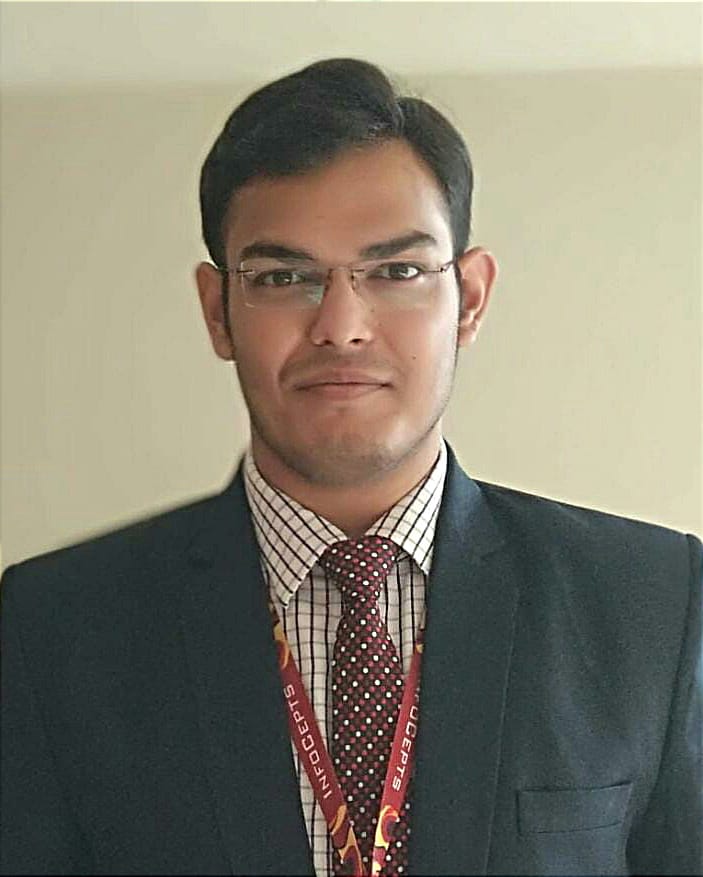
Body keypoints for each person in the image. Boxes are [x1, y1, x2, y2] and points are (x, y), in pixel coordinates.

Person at [1, 57, 700, 877]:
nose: (340, 324)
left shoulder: (652, 603)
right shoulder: (55, 629)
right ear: (217, 310)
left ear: (470, 296)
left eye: (396, 271)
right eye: (283, 276)